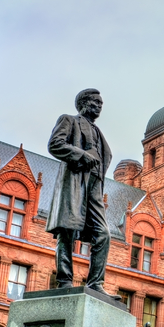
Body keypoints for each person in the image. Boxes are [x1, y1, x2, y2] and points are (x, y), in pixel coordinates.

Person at [46, 88, 111, 291]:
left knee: (103, 233)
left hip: (94, 185)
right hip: (74, 180)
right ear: (83, 103)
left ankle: (95, 283)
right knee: (67, 231)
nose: (99, 105)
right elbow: (55, 145)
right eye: (95, 101)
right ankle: (64, 280)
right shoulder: (69, 120)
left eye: (101, 103)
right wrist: (82, 155)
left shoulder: (99, 133)